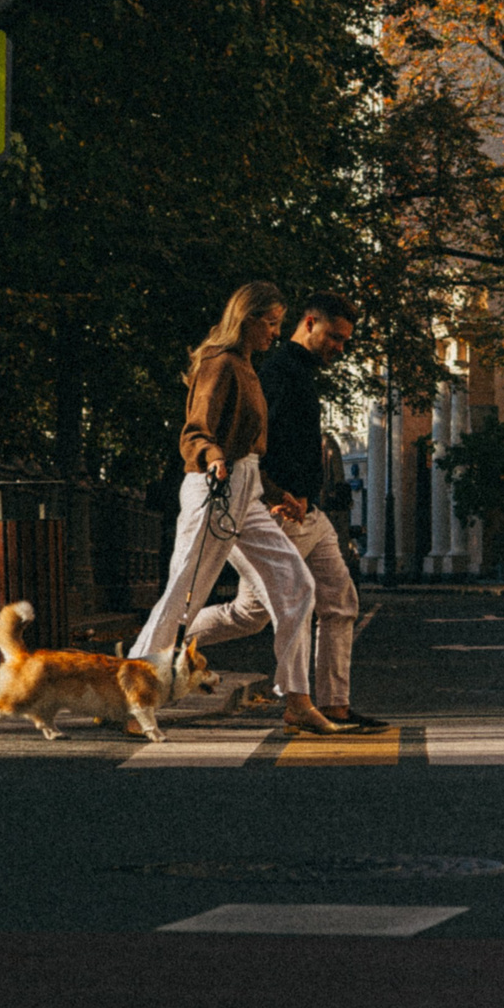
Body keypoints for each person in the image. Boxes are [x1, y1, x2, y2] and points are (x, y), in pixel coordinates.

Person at [129, 282, 336, 735]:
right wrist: (213, 456)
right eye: (271, 323)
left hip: (247, 489)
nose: (276, 334)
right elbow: (194, 431)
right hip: (213, 488)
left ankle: (297, 700)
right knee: (185, 592)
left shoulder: (245, 366)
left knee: (297, 584)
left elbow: (252, 450)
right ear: (247, 318)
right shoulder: (219, 363)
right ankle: (133, 696)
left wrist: (276, 491)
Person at [182, 293, 386, 732]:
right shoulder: (275, 372)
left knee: (340, 600)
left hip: (308, 512)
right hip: (274, 510)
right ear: (309, 323)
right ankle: (158, 642)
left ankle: (334, 705)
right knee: (251, 614)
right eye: (334, 337)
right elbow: (251, 442)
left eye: (345, 341)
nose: (340, 348)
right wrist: (271, 493)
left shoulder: (301, 373)